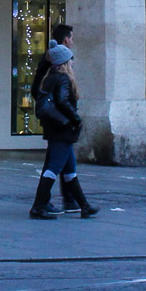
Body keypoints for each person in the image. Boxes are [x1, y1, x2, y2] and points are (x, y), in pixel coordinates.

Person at [29, 42, 97, 219]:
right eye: (70, 59)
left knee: (69, 170)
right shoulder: (64, 78)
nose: (73, 62)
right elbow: (63, 101)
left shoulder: (50, 77)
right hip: (63, 129)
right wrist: (76, 119)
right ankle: (38, 206)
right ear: (65, 62)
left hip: (55, 128)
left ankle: (84, 205)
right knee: (52, 169)